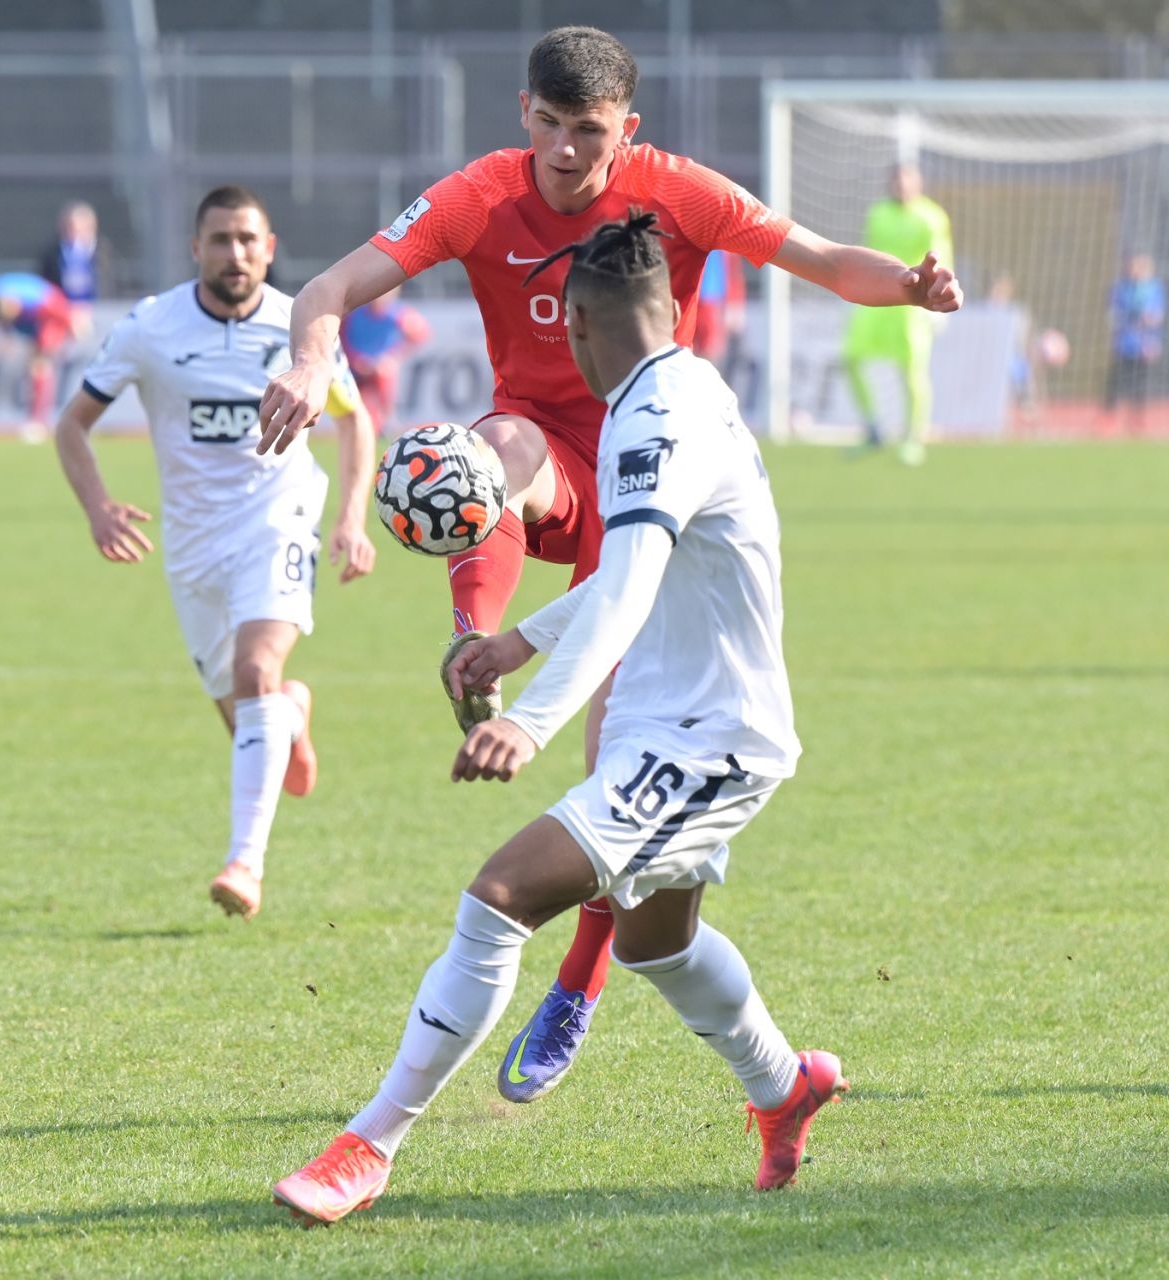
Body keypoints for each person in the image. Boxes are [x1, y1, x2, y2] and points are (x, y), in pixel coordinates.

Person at [256, 26, 960, 1106]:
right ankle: (469, 640)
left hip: (652, 479)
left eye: (592, 132)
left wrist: (908, 288)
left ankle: (579, 983)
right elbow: (333, 285)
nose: (570, 152)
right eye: (551, 127)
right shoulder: (481, 196)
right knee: (486, 451)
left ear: (626, 127)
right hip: (549, 464)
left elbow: (818, 260)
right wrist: (311, 354)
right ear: (523, 117)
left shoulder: (678, 190)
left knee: (611, 770)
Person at [272, 213, 845, 1226]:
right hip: (668, 717)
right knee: (657, 942)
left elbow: (623, 586)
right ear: (674, 308)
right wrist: (518, 641)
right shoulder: (674, 388)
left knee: (501, 893)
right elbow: (633, 571)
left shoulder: (657, 415)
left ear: (574, 325)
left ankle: (371, 1142)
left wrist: (530, 720)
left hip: (707, 732)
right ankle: (783, 1087)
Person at [53, 185, 377, 919]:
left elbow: (356, 424)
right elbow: (72, 425)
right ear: (195, 249)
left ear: (270, 247)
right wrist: (99, 507)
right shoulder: (150, 327)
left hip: (278, 517)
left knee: (257, 669)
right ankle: (290, 715)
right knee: (248, 721)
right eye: (221, 240)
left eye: (248, 240)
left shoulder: (303, 330)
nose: (236, 253)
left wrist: (352, 519)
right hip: (192, 542)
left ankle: (244, 865)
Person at [842, 163, 953, 466]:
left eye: (907, 179)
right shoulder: (878, 213)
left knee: (912, 373)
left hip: (913, 305)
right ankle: (873, 428)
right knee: (850, 357)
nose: (901, 185)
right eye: (897, 180)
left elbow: (942, 258)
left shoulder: (931, 217)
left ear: (919, 182)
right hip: (878, 300)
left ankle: (913, 439)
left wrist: (938, 303)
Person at [0, 270, 75, 440]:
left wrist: (70, 330)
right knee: (35, 368)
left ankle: (38, 420)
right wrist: (3, 336)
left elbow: (64, 316)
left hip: (47, 318)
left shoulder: (43, 302)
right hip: (27, 319)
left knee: (39, 367)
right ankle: (36, 419)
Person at [340, 287, 431, 434]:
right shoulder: (354, 314)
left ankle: (387, 419)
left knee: (384, 372)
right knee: (353, 402)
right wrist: (355, 360)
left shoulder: (399, 314)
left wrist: (393, 357)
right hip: (353, 366)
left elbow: (420, 334)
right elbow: (341, 339)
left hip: (379, 367)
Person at [1097, 252, 1165, 437]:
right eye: (1133, 266)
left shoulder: (1154, 288)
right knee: (1116, 382)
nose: (1135, 270)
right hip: (1124, 343)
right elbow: (1112, 313)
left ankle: (1137, 420)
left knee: (1140, 383)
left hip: (1145, 344)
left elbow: (1157, 315)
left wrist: (1151, 331)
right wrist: (1126, 320)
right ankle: (1107, 419)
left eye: (1140, 266)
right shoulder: (1120, 288)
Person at [37, 200, 111, 339]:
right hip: (62, 312)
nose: (75, 232)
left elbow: (107, 282)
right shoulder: (52, 253)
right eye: (70, 227)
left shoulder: (102, 251)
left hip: (96, 311)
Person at [692, 247, 746, 375]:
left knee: (710, 350)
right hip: (691, 296)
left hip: (712, 298)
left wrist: (735, 302)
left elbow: (734, 269)